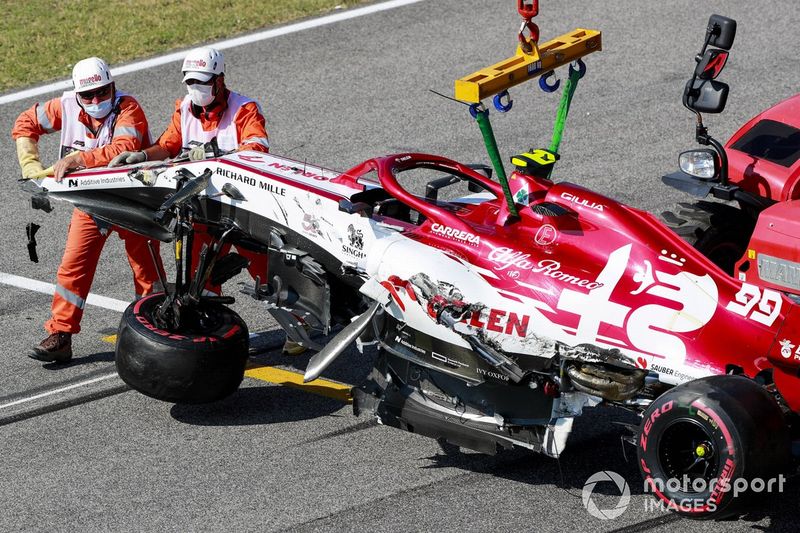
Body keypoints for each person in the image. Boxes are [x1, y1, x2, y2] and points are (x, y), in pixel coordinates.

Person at [109, 48, 309, 352]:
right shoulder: (184, 108)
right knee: (195, 278)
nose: (196, 89)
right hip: (201, 209)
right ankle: (208, 335)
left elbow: (257, 151)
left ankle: (298, 325)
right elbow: (168, 145)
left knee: (264, 270)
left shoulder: (245, 109)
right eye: (190, 83)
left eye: (202, 82)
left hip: (243, 208)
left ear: (219, 80)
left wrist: (213, 156)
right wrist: (141, 156)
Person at [12, 57, 164, 363]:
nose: (96, 100)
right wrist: (29, 162)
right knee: (73, 267)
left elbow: (123, 148)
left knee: (146, 269)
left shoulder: (128, 108)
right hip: (92, 202)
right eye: (88, 95)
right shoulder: (64, 106)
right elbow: (24, 123)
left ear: (112, 87)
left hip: (133, 199)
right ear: (77, 96)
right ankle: (61, 334)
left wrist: (77, 160)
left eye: (102, 92)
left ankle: (155, 333)